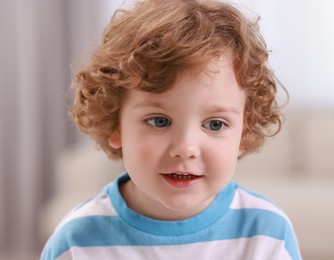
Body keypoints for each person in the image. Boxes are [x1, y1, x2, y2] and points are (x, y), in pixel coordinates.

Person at [41, 0, 301, 259]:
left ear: (243, 133)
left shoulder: (268, 234)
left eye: (215, 124)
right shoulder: (76, 242)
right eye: (159, 121)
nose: (186, 148)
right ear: (115, 124)